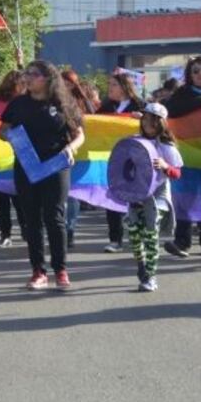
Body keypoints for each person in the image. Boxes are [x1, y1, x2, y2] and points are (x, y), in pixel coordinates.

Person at [0, 60, 85, 290]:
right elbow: (2, 129)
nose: (27, 77)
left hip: (56, 165)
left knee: (55, 217)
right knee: (32, 220)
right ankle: (38, 271)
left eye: (33, 74)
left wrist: (71, 148)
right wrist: (10, 136)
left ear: (47, 78)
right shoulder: (18, 104)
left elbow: (79, 135)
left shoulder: (63, 103)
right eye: (26, 73)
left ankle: (61, 270)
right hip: (26, 166)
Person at [162, 56, 201, 258]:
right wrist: (200, 102)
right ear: (190, 76)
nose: (200, 74)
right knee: (186, 197)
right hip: (188, 154)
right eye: (195, 71)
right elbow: (170, 110)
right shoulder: (183, 93)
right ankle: (182, 242)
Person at [124, 103, 182, 292]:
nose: (148, 123)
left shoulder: (167, 147)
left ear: (161, 123)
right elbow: (123, 169)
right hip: (137, 195)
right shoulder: (134, 142)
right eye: (146, 118)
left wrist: (165, 166)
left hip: (158, 197)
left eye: (153, 120)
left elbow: (177, 173)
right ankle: (141, 264)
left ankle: (150, 276)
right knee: (134, 232)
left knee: (150, 234)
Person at [97, 72, 145, 253]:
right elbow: (94, 125)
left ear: (125, 87)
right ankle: (115, 239)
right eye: (109, 84)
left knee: (136, 200)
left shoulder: (140, 105)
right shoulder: (106, 106)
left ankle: (138, 236)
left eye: (113, 85)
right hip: (112, 159)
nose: (109, 88)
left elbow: (156, 126)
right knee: (113, 199)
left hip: (135, 160)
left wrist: (142, 119)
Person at [60, 68, 95, 250]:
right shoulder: (54, 100)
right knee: (60, 194)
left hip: (79, 152)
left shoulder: (84, 103)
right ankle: (60, 228)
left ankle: (70, 228)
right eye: (62, 81)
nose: (65, 85)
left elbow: (97, 121)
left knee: (72, 194)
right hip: (60, 152)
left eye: (68, 82)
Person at [0, 70, 26, 248]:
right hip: (1, 156)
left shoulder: (27, 102)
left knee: (18, 197)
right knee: (4, 197)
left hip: (17, 156)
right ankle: (7, 234)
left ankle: (20, 232)